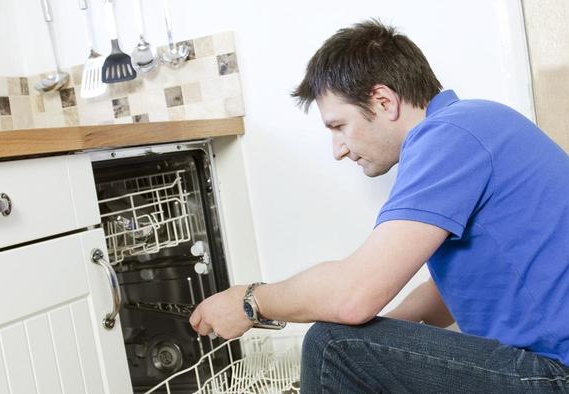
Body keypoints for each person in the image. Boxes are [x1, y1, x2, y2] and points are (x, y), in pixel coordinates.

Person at [189, 19, 569, 393]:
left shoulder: (448, 136)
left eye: (338, 126)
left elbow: (354, 296)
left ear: (384, 101)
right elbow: (446, 296)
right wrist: (380, 337)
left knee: (332, 346)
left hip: (557, 373)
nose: (337, 150)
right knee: (348, 339)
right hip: (550, 364)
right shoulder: (473, 126)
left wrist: (250, 301)